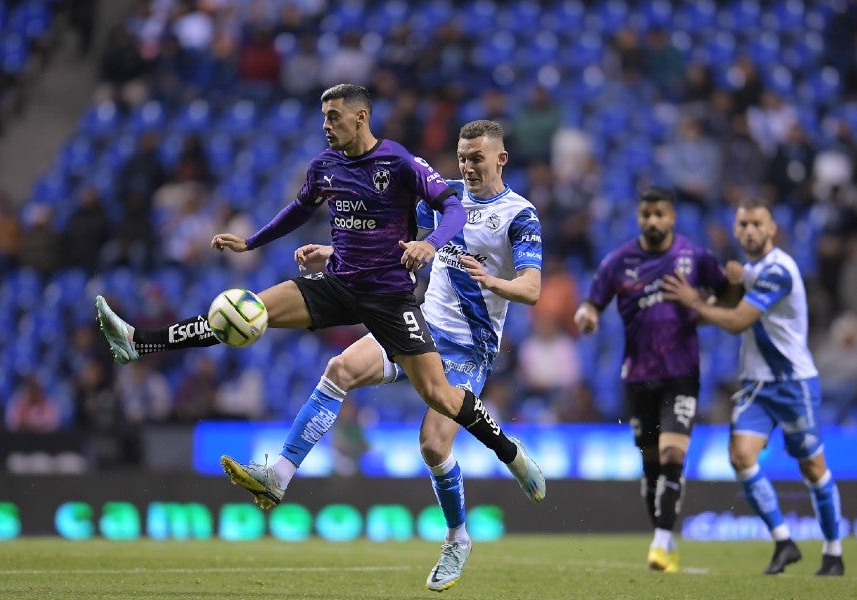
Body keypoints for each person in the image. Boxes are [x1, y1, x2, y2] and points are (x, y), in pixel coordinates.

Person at [95, 84, 545, 509]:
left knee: (441, 401)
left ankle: (508, 451)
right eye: (323, 118)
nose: (326, 125)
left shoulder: (405, 164)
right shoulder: (326, 165)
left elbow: (452, 214)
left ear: (360, 116)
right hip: (340, 283)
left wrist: (444, 254)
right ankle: (141, 343)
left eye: (334, 117)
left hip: (392, 301)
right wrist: (253, 242)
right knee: (248, 312)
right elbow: (304, 209)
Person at [230, 119, 542, 591]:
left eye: (477, 158)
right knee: (340, 368)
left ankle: (459, 534)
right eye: (462, 158)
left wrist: (494, 281)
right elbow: (395, 250)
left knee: (434, 447)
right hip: (421, 322)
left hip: (469, 345)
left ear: (501, 158)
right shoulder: (442, 198)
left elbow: (533, 288)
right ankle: (279, 474)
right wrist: (333, 256)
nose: (468, 167)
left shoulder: (520, 215)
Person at [662, 197, 845, 577]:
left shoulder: (779, 271)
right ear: (735, 229)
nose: (749, 231)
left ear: (772, 229)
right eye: (742, 225)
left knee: (813, 468)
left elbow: (737, 321)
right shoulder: (751, 271)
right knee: (742, 457)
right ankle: (784, 541)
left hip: (793, 384)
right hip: (757, 387)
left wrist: (696, 301)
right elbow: (722, 306)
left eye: (756, 224)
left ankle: (833, 551)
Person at [573, 186, 737, 573]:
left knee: (672, 455)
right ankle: (665, 533)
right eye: (646, 214)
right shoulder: (619, 261)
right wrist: (587, 316)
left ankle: (661, 542)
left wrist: (723, 289)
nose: (652, 221)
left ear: (672, 216)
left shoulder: (694, 257)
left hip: (681, 374)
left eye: (659, 213)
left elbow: (729, 298)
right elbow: (591, 302)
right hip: (638, 376)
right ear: (638, 216)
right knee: (650, 468)